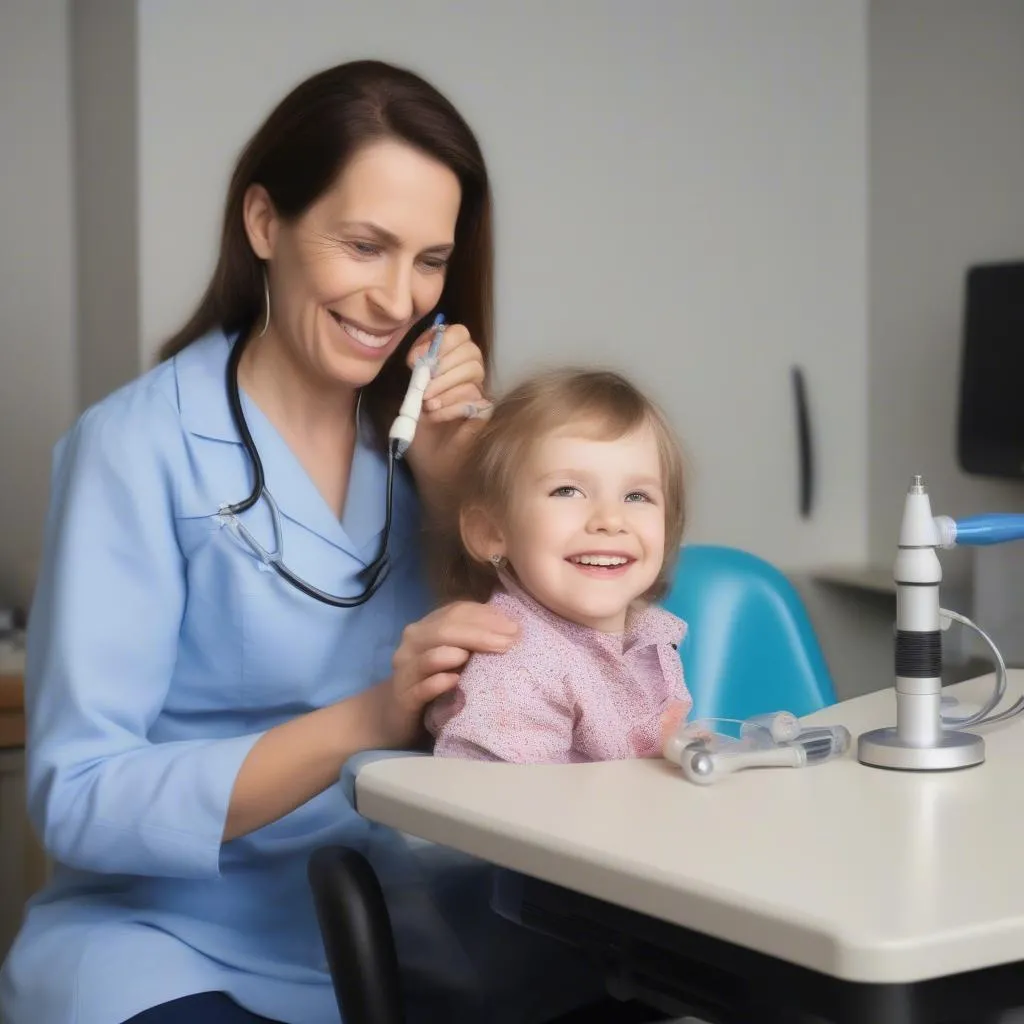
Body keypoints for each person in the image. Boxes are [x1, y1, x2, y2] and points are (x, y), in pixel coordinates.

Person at [0, 61, 662, 1024]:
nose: (399, 299)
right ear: (265, 224)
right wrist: (367, 719)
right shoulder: (134, 448)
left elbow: (529, 692)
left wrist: (453, 489)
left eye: (430, 260)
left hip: (407, 919)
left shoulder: (431, 450)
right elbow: (78, 799)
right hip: (177, 946)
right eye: (364, 245)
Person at [425, 369, 692, 763]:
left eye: (637, 496)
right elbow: (499, 818)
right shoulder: (516, 672)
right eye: (568, 490)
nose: (610, 519)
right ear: (490, 531)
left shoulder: (647, 635)